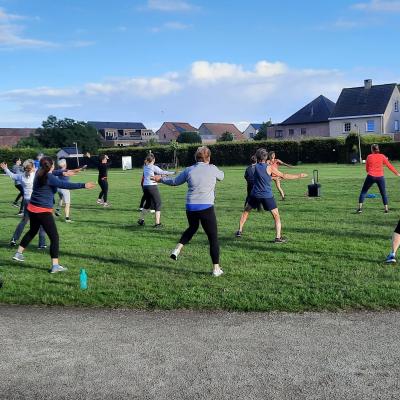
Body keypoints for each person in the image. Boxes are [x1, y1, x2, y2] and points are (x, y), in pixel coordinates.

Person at [11, 156, 96, 273]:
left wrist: (65, 171)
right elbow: (64, 185)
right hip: (42, 212)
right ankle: (55, 266)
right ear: (51, 166)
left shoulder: (38, 173)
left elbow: (54, 173)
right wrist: (83, 185)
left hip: (32, 209)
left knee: (32, 231)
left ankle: (18, 253)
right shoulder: (49, 177)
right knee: (54, 238)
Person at [152, 146, 224, 277]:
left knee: (192, 227)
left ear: (195, 158)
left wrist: (160, 179)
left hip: (190, 207)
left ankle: (177, 249)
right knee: (213, 238)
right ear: (209, 157)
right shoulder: (212, 168)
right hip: (206, 207)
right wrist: (213, 167)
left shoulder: (189, 170)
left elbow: (174, 182)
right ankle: (216, 269)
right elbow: (222, 176)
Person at [235, 148, 307, 241]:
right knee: (276, 215)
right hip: (266, 195)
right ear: (266, 157)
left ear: (257, 157)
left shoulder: (254, 167)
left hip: (255, 194)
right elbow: (284, 175)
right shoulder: (270, 167)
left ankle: (239, 231)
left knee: (246, 211)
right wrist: (299, 175)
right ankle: (278, 237)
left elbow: (254, 176)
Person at [1, 160, 46, 249]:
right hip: (36, 201)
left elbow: (12, 176)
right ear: (32, 168)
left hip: (26, 201)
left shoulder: (22, 176)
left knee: (24, 221)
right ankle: (41, 244)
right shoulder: (36, 175)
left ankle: (14, 239)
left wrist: (6, 169)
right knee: (42, 222)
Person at [357, 144, 400, 214]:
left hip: (370, 176)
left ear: (372, 149)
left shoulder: (369, 156)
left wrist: (370, 171)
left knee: (363, 192)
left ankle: (360, 209)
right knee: (383, 193)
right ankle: (386, 209)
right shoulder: (382, 156)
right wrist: (397, 173)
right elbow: (389, 165)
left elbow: (367, 169)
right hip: (380, 177)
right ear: (378, 149)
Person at [138, 154, 175, 228]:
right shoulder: (153, 167)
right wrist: (173, 173)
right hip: (152, 186)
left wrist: (162, 176)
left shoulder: (145, 167)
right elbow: (162, 172)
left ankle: (141, 220)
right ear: (153, 160)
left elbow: (156, 175)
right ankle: (157, 224)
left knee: (147, 204)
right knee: (158, 203)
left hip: (145, 187)